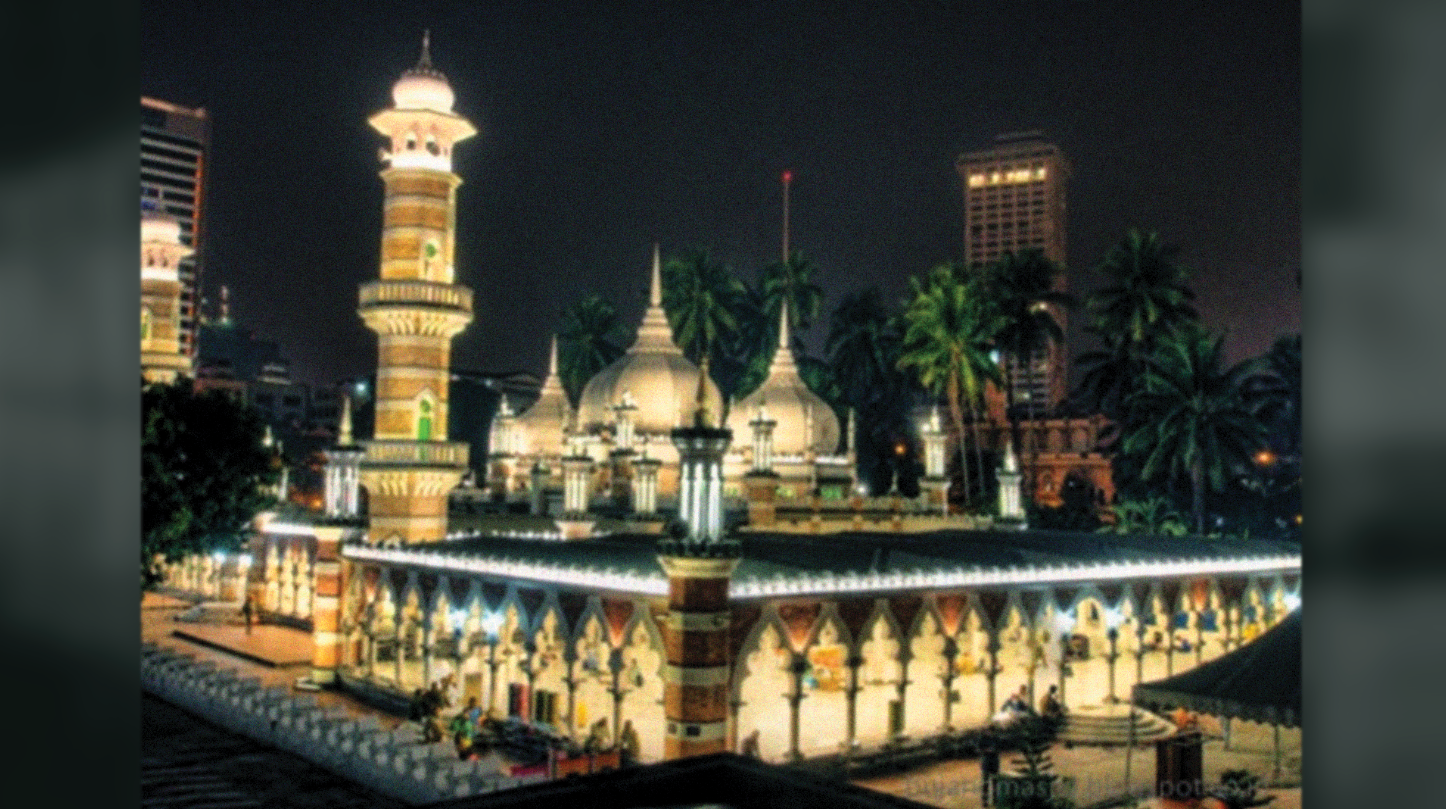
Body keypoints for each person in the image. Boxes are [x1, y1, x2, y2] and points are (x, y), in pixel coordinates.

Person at [979, 732, 1000, 807]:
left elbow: (1000, 747)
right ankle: (985, 801)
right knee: (985, 782)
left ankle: (995, 800)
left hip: (994, 761)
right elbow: (979, 749)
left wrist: (994, 750)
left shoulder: (996, 738)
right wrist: (986, 751)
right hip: (986, 761)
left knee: (995, 782)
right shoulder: (982, 739)